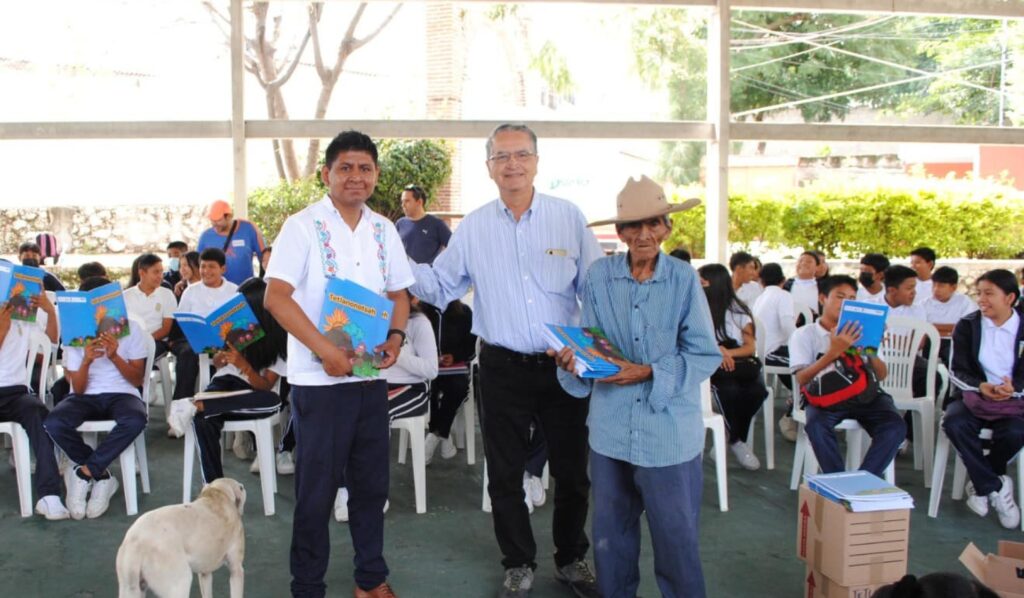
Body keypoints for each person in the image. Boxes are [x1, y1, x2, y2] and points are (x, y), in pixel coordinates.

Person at [409, 123, 604, 598]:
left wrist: (591, 350)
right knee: (504, 472)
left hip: (564, 366)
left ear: (537, 161)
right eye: (502, 157)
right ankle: (517, 562)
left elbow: (596, 291)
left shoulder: (568, 217)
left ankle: (572, 557)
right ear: (489, 167)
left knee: (573, 470)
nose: (512, 164)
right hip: (501, 366)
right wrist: (388, 263)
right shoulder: (474, 227)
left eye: (521, 154)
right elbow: (439, 285)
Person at [550, 175, 720, 598]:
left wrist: (644, 372)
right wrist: (574, 361)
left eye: (654, 224)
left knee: (677, 542)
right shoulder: (599, 276)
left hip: (668, 436)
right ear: (620, 233)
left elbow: (704, 354)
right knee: (611, 541)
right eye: (633, 226)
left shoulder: (682, 279)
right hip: (610, 432)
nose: (644, 234)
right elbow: (591, 343)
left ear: (667, 228)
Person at [264, 130, 412, 598]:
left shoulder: (384, 229)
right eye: (345, 167)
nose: (356, 177)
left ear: (376, 176)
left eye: (365, 168)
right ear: (326, 174)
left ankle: (371, 580)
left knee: (371, 489)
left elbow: (399, 295)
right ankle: (307, 586)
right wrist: (325, 351)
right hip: (318, 383)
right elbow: (276, 297)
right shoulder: (302, 226)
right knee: (316, 493)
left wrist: (395, 337)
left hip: (369, 377)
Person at [43, 276, 149, 520]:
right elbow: (77, 389)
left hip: (123, 393)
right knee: (53, 423)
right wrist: (87, 360)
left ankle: (86, 472)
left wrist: (114, 357)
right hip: (86, 396)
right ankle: (102, 477)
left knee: (135, 419)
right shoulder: (74, 334)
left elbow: (137, 380)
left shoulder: (131, 328)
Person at [169, 278, 288, 483]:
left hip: (253, 390)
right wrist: (220, 357)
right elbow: (219, 364)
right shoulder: (236, 329)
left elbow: (266, 385)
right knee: (203, 420)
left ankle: (198, 403)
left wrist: (245, 366)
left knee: (273, 400)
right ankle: (215, 486)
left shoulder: (279, 340)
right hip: (224, 383)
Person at [334, 291, 437, 523]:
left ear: (410, 301)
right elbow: (363, 361)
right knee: (348, 414)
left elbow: (432, 370)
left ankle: (374, 492)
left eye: (395, 298)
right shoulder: (373, 320)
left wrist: (396, 352)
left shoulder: (419, 324)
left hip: (411, 389)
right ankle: (344, 489)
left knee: (378, 415)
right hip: (375, 383)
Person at [789, 275, 906, 478]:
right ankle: (837, 481)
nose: (846, 303)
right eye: (840, 296)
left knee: (895, 426)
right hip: (825, 399)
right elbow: (802, 379)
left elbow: (881, 375)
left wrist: (871, 351)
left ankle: (861, 480)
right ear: (823, 298)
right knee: (816, 427)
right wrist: (833, 352)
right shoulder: (805, 334)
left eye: (851, 298)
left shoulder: (862, 330)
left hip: (866, 395)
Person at [943, 269, 1024, 529]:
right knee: (954, 423)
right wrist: (981, 385)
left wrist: (1015, 388)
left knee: (1015, 431)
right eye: (979, 293)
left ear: (1010, 297)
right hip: (974, 396)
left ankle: (981, 485)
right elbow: (956, 370)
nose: (982, 300)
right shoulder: (968, 325)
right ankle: (996, 485)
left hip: (1015, 400)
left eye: (989, 294)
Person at [0, 290, 68, 519]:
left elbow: (49, 347)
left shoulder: (23, 317)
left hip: (16, 392)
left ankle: (49, 496)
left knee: (40, 414)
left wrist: (49, 311)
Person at [698, 263, 769, 470]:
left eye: (702, 282)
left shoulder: (738, 311)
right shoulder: (697, 310)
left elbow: (750, 347)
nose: (699, 287)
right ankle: (738, 442)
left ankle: (730, 436)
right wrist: (716, 352)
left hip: (738, 363)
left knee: (758, 391)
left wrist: (728, 353)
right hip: (713, 365)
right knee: (729, 391)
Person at [167, 248, 239, 432]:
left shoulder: (234, 291)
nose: (206, 271)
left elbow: (239, 322)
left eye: (211, 267)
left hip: (225, 341)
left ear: (222, 269)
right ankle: (180, 408)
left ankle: (219, 407)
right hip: (194, 340)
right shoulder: (191, 291)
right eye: (202, 266)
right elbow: (181, 321)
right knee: (188, 353)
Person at [423, 298, 476, 465]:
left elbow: (471, 346)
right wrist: (430, 357)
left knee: (458, 387)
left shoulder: (464, 313)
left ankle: (434, 435)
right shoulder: (422, 314)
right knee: (429, 388)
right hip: (427, 369)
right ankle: (442, 435)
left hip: (455, 369)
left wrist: (455, 356)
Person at [197, 199, 266, 285]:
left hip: (244, 290)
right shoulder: (205, 237)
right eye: (212, 221)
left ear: (229, 216)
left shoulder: (249, 229)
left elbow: (264, 257)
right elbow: (197, 265)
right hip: (216, 290)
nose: (215, 224)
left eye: (218, 220)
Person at [123, 253, 177, 359]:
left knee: (140, 357)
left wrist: (145, 340)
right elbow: (122, 326)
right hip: (130, 342)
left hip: (156, 341)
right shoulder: (126, 296)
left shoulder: (167, 294)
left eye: (161, 272)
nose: (160, 276)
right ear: (142, 273)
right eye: (156, 272)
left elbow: (166, 329)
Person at [396, 185, 452, 265]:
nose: (403, 205)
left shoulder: (436, 224)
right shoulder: (400, 224)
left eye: (407, 201)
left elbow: (454, 247)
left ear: (419, 202)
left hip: (429, 275)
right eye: (402, 201)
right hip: (405, 275)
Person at [786, 251, 820, 317]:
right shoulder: (786, 286)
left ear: (817, 267)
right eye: (800, 261)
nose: (804, 263)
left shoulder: (823, 287)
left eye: (809, 262)